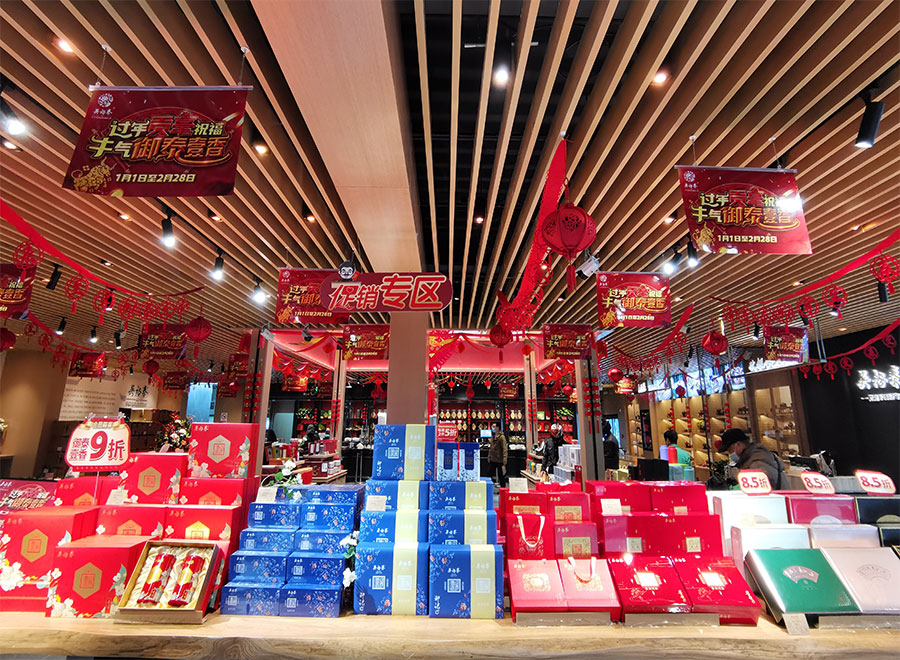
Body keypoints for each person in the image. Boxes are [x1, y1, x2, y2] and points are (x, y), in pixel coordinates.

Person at [717, 427, 787, 490]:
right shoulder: (753, 459)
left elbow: (759, 492)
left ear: (738, 444)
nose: (730, 454)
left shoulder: (756, 463)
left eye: (730, 450)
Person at [487, 422, 508, 488]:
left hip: (499, 459)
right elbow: (491, 448)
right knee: (489, 473)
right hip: (493, 458)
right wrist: (489, 456)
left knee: (501, 475)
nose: (494, 428)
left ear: (498, 428)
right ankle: (488, 487)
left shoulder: (502, 437)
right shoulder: (493, 436)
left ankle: (503, 489)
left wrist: (505, 458)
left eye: (495, 427)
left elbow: (504, 448)